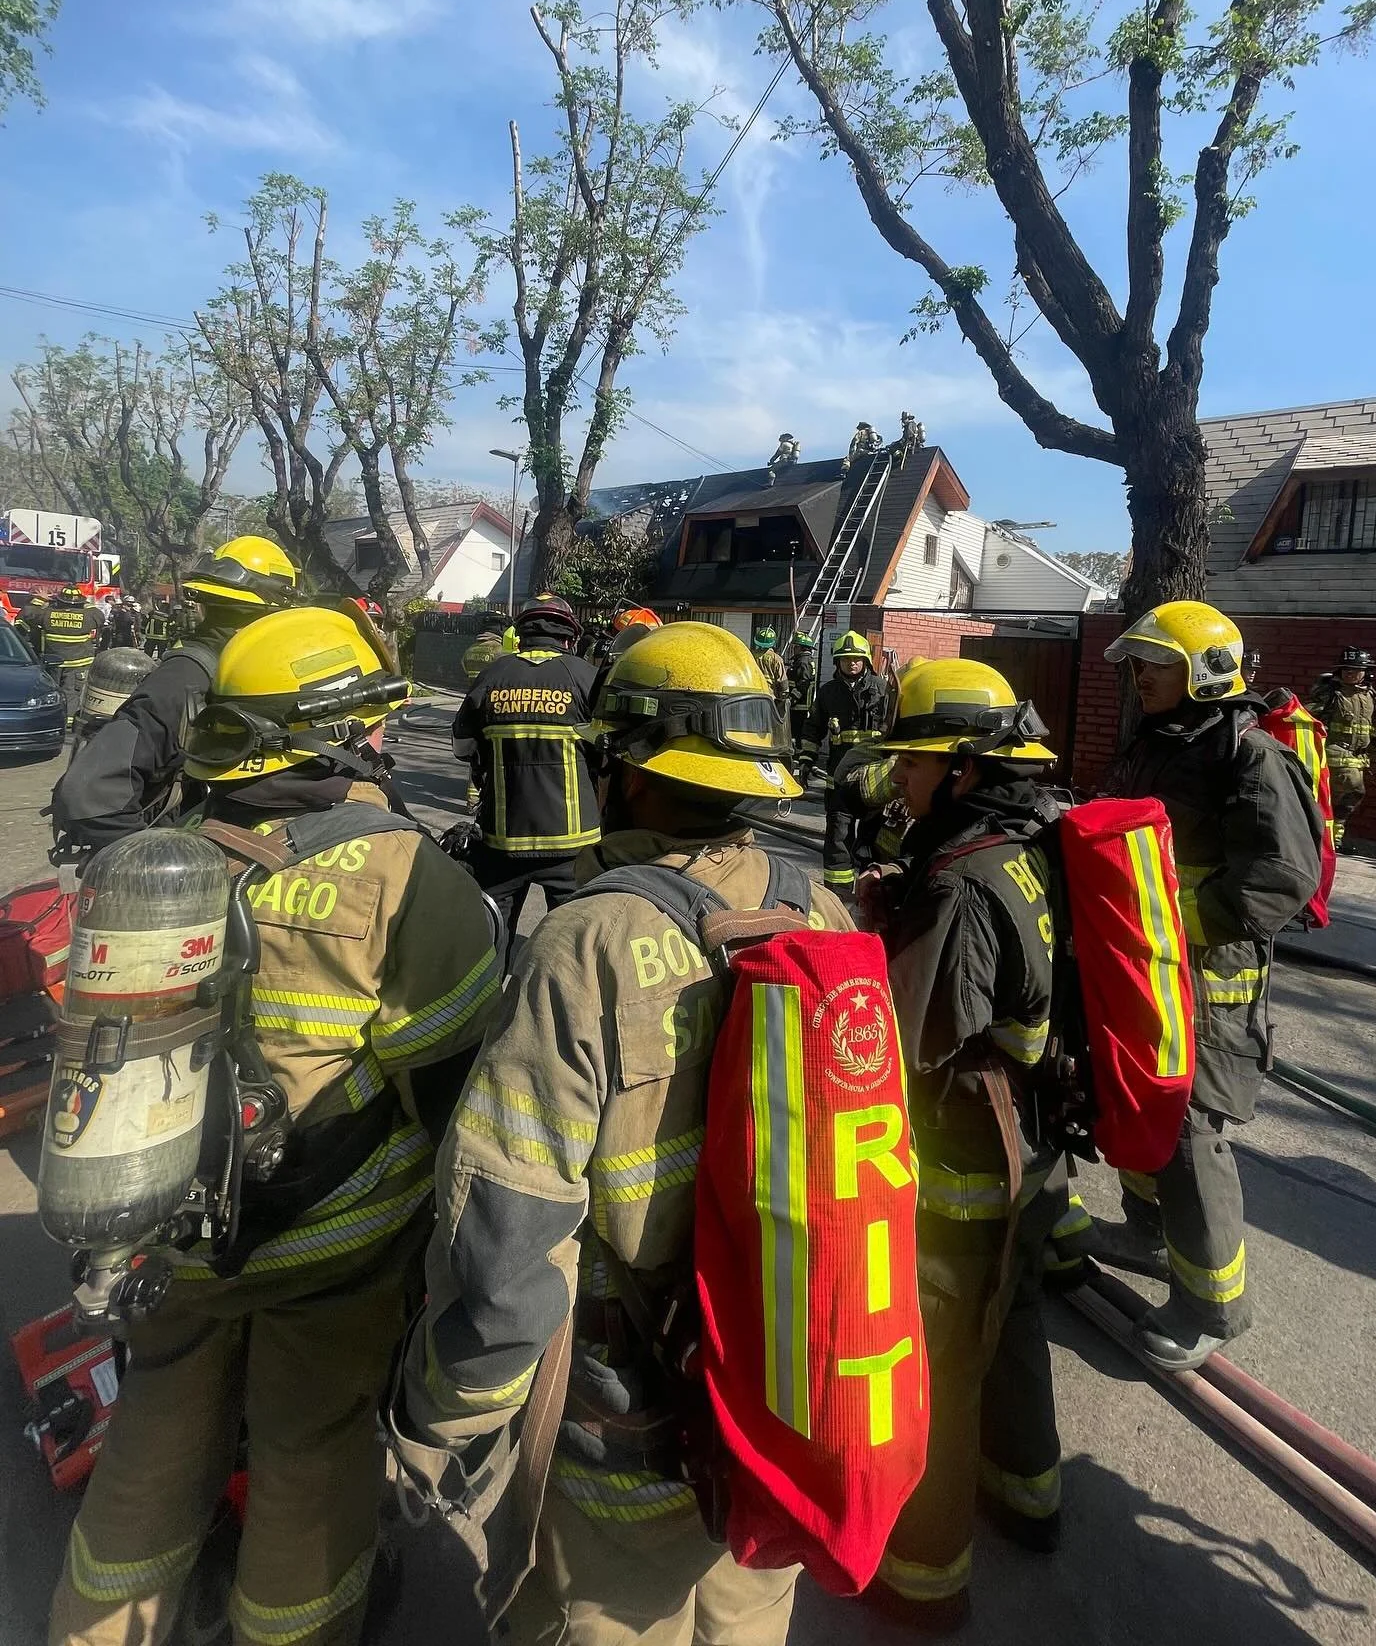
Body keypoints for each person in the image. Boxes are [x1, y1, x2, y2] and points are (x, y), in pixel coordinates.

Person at [49, 605, 502, 1646]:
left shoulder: (163, 856)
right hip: (331, 1259)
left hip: (169, 1238)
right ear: (330, 734)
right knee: (311, 1463)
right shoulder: (402, 875)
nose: (382, 736)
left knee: (152, 1449)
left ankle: (91, 1627)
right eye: (371, 720)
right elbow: (454, 1096)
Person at [402, 621, 852, 1645]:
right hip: (781, 1374)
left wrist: (446, 1408)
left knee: (611, 1613)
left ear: (632, 772)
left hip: (634, 1398)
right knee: (747, 1603)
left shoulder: (587, 943)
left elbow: (509, 1225)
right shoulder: (823, 912)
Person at [859, 659, 1066, 1630]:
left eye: (914, 763)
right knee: (1014, 1322)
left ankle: (923, 1577)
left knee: (936, 1362)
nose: (899, 778)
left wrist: (880, 937)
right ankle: (1030, 1500)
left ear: (966, 770)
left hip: (964, 1167)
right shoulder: (1026, 840)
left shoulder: (959, 884)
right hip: (1035, 1151)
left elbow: (907, 1043)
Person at [1069, 602, 1321, 1368]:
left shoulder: (1249, 757)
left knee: (1188, 1129)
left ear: (1204, 670)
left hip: (1208, 981)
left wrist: (1164, 921)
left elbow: (1282, 877)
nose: (1140, 677)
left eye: (1157, 664)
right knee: (1138, 1100)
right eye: (1139, 664)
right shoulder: (1157, 741)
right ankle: (1149, 1235)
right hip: (1145, 968)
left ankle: (1212, 1306)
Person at [50, 537, 298, 855]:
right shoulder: (188, 677)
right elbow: (89, 795)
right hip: (192, 857)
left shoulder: (252, 670)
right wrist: (159, 866)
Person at [450, 592, 599, 933]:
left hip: (502, 843)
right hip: (573, 847)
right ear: (569, 638)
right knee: (569, 943)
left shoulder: (493, 674)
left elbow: (461, 747)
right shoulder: (586, 677)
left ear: (520, 635)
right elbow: (609, 752)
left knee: (492, 940)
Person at [796, 628, 890, 895]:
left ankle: (872, 891)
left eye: (857, 658)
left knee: (873, 837)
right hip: (839, 776)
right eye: (846, 659)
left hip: (875, 775)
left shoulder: (883, 690)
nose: (852, 663)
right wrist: (806, 760)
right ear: (838, 661)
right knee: (838, 835)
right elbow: (813, 729)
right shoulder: (828, 692)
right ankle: (838, 893)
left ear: (866, 660)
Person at [1306, 647, 1376, 850]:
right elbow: (1309, 715)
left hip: (1358, 758)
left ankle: (1333, 839)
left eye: (1355, 670)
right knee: (1351, 789)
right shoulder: (1331, 694)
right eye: (1345, 669)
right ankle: (1324, 838)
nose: (1349, 673)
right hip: (1335, 755)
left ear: (1366, 672)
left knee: (1344, 799)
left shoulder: (1371, 696)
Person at [38, 584, 107, 727]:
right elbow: (100, 616)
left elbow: (28, 614)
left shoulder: (47, 613)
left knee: (50, 691)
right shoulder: (88, 616)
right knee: (71, 692)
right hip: (78, 663)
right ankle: (68, 722)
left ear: (59, 600)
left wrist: (39, 600)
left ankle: (48, 720)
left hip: (53, 662)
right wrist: (86, 603)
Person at [786, 629, 818, 742]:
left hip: (799, 705)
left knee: (796, 733)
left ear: (801, 648)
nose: (794, 649)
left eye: (796, 646)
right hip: (801, 704)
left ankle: (797, 751)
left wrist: (792, 699)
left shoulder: (803, 662)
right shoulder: (805, 660)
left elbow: (803, 684)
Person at [750, 624, 789, 711]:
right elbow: (783, 684)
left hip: (752, 697)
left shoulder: (750, 656)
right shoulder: (777, 659)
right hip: (769, 699)